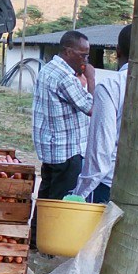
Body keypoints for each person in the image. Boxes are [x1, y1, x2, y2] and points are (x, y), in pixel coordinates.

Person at [32, 30, 95, 202]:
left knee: (45, 200)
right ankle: (48, 230)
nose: (85, 60)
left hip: (51, 148)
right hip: (67, 151)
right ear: (68, 52)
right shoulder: (65, 77)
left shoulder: (49, 68)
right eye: (83, 55)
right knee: (59, 205)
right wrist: (91, 79)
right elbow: (91, 108)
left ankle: (37, 230)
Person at [74, 24, 131, 204]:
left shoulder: (112, 86)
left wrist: (79, 193)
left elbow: (100, 153)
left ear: (118, 52)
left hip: (109, 186)